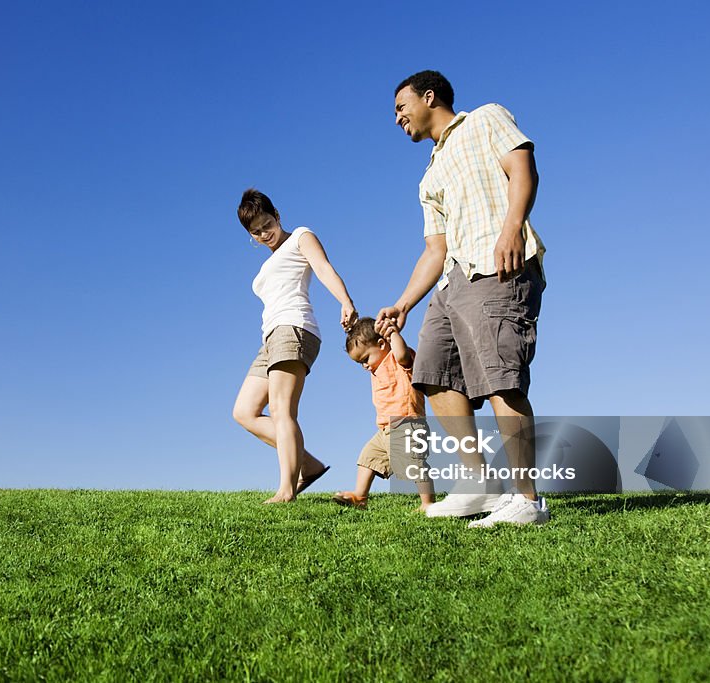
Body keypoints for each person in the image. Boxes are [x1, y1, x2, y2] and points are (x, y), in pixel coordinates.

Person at [377, 70, 549, 526]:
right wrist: (403, 303)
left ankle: (527, 500)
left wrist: (512, 227)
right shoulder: (428, 175)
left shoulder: (486, 118)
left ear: (428, 97)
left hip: (498, 265)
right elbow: (434, 249)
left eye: (401, 107)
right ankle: (479, 486)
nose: (397, 119)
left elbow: (522, 168)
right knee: (433, 373)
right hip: (450, 283)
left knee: (500, 377)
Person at [232, 189, 358, 503]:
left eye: (266, 224)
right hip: (270, 336)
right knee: (244, 412)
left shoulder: (300, 236)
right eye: (255, 232)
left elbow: (324, 268)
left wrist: (345, 301)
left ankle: (286, 490)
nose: (263, 234)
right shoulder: (267, 264)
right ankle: (309, 465)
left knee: (281, 410)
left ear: (278, 215)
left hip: (295, 327)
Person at [333, 317, 436, 511]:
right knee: (368, 458)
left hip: (407, 424)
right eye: (359, 363)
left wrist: (392, 333)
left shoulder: (396, 360)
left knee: (413, 463)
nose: (364, 366)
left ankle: (427, 502)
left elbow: (403, 354)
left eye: (365, 359)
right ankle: (360, 496)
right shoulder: (377, 369)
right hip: (385, 428)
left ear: (382, 344)